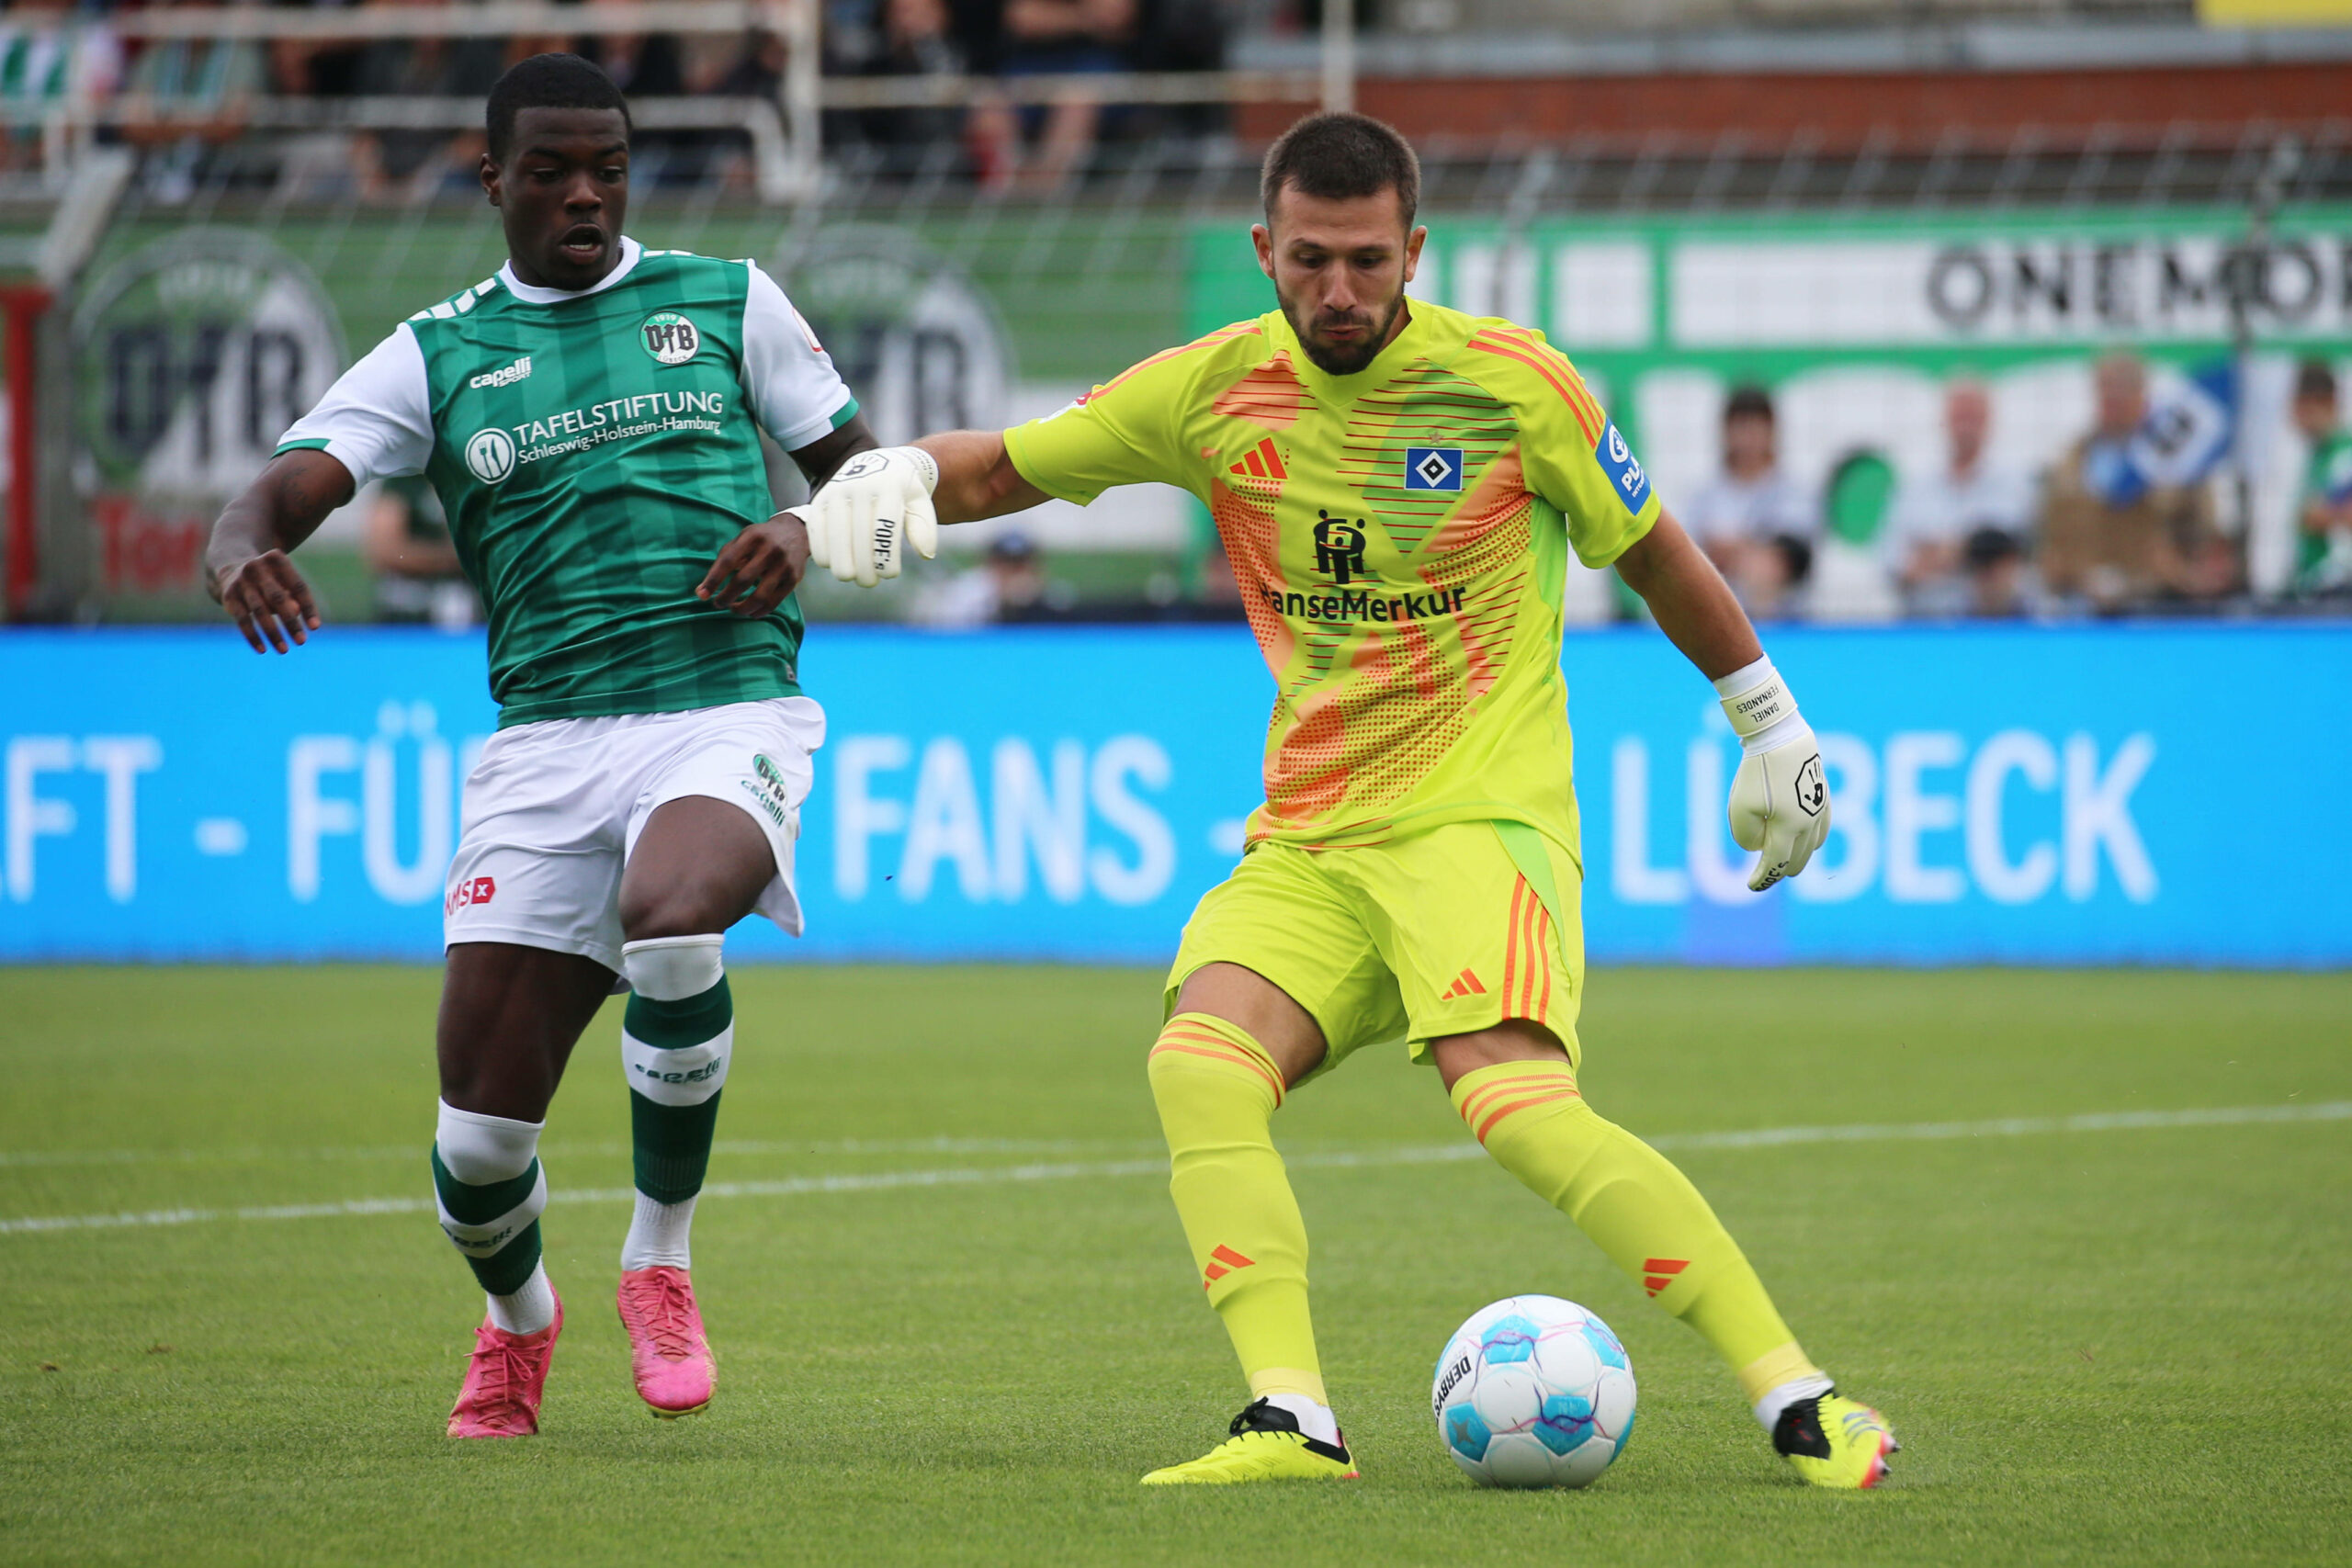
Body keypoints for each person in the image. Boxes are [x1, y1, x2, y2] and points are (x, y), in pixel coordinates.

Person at [794, 112, 1896, 1490]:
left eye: (1367, 262)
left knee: (1517, 1106)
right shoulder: (1213, 389)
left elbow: (1656, 549)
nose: (1337, 292)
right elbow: (1010, 464)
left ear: (1414, 252)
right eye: (1309, 260)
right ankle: (1291, 1416)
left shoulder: (1513, 385)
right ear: (1266, 249)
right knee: (1199, 1060)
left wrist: (1768, 718)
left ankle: (1800, 1396)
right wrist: (896, 469)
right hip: (1312, 839)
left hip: (1475, 822)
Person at [202, 54, 876, 1438]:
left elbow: (880, 473)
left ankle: (660, 1258)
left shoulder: (728, 299)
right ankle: (519, 1317)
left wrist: (810, 526)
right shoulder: (435, 352)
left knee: (677, 917)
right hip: (546, 742)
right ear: (492, 174)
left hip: (725, 700)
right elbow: (280, 488)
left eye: (609, 169)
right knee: (475, 1145)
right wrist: (236, 547)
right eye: (555, 170)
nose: (585, 193)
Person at [2040, 351, 2231, 612]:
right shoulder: (2068, 464)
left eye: (2122, 388)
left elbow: (2207, 538)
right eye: (2106, 388)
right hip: (2083, 608)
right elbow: (2047, 544)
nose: (2112, 398)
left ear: (2143, 393)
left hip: (2160, 607)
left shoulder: (2177, 459)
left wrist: (2179, 572)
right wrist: (2072, 575)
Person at [1887, 379, 2034, 617]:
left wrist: (1943, 553)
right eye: (1959, 416)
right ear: (1943, 421)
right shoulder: (1913, 488)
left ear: (1989, 422)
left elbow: (2017, 560)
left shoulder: (2016, 487)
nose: (1965, 425)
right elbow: (1892, 563)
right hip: (1926, 626)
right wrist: (1973, 555)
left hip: (1995, 625)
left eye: (1973, 416)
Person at [1679, 384, 1816, 618]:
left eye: (1756, 430)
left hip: (1784, 623)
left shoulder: (1794, 493)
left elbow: (1791, 557)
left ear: (1771, 432)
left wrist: (1734, 552)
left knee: (1761, 568)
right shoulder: (1703, 497)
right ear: (1726, 432)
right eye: (1741, 429)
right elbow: (1683, 562)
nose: (1748, 440)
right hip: (1712, 624)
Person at [2289, 359, 2352, 596]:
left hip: (2336, 585)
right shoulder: (2318, 454)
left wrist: (2317, 514)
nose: (2294, 415)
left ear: (2327, 403)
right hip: (2313, 585)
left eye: (2300, 407)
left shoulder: (2345, 452)